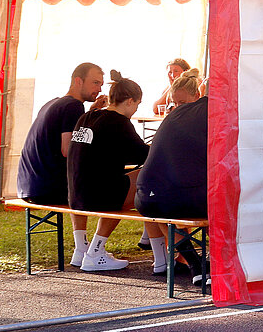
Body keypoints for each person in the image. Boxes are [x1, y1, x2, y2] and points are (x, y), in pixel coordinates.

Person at [16, 62, 108, 266]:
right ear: (78, 81)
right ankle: (94, 251)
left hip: (29, 186)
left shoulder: (54, 103)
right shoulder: (73, 106)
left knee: (78, 179)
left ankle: (81, 249)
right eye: (95, 82)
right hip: (49, 188)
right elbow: (69, 149)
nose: (99, 89)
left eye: (101, 84)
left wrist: (91, 113)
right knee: (114, 188)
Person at [66, 71, 149, 273]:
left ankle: (83, 250)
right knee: (147, 176)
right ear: (129, 101)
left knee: (116, 181)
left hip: (74, 195)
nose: (136, 110)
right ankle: (95, 252)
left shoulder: (88, 116)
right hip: (99, 196)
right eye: (137, 104)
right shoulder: (119, 123)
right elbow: (146, 157)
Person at [135, 82, 208, 279]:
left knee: (164, 200)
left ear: (200, 93)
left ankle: (196, 265)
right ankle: (223, 261)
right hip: (175, 199)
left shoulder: (175, 114)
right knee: (224, 205)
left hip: (146, 199)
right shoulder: (214, 114)